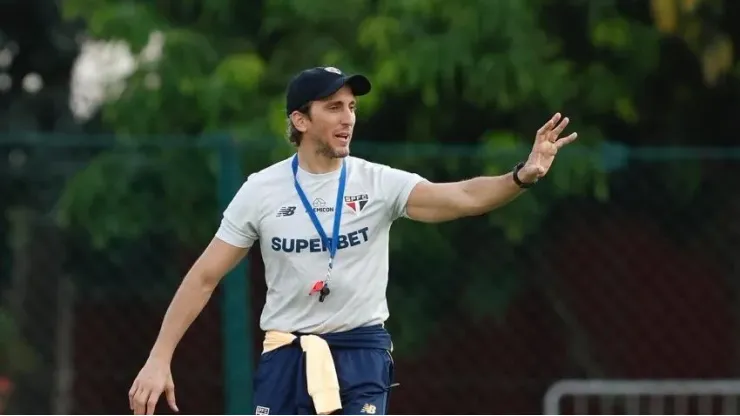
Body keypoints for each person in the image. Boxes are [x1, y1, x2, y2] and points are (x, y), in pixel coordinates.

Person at [127, 66, 577, 415]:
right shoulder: (261, 190)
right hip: (287, 354)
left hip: (361, 351)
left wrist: (521, 176)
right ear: (300, 119)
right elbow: (204, 276)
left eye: (352, 107)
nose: (348, 118)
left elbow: (459, 196)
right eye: (334, 107)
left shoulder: (376, 182)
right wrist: (158, 358)